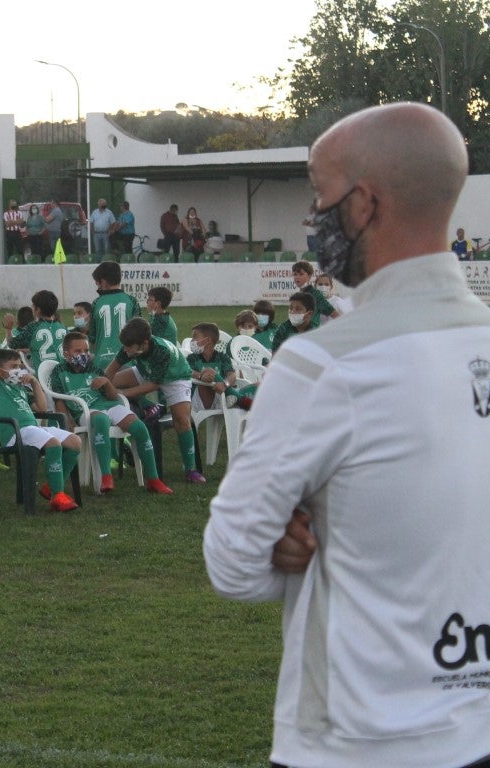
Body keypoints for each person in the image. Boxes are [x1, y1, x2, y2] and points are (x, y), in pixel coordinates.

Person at [205, 102, 490, 768]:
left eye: (318, 193)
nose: (314, 217)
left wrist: (298, 544)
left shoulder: (326, 364)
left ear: (363, 204)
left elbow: (232, 563)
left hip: (360, 738)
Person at [49, 332, 171, 495]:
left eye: (86, 350)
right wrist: (66, 420)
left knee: (140, 428)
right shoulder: (59, 371)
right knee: (101, 420)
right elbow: (59, 399)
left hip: (108, 404)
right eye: (78, 351)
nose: (83, 355)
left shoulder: (93, 368)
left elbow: (113, 397)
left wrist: (107, 382)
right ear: (66, 353)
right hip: (85, 409)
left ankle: (154, 480)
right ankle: (106, 476)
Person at [0, 349, 82, 512]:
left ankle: (49, 487)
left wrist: (34, 382)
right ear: (0, 370)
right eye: (14, 366)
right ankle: (57, 496)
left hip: (32, 430)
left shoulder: (19, 388)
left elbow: (42, 407)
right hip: (14, 432)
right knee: (53, 444)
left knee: (75, 442)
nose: (19, 370)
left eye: (20, 365)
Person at [103, 317, 205, 484]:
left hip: (176, 377)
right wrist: (104, 383)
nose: (126, 350)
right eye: (125, 346)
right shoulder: (130, 346)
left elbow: (153, 385)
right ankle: (152, 407)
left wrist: (121, 393)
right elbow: (111, 370)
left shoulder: (162, 350)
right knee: (110, 384)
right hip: (147, 371)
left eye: (130, 347)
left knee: (181, 421)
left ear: (144, 344)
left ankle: (190, 469)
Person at [87, 260, 142, 369]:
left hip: (102, 363)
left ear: (103, 282)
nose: (97, 286)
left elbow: (92, 338)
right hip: (128, 362)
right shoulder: (131, 301)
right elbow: (139, 333)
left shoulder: (96, 303)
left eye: (97, 283)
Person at [6, 289, 67, 371]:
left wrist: (8, 328)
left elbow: (12, 344)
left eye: (33, 306)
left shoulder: (33, 327)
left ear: (38, 309)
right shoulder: (63, 328)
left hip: (44, 376)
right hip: (64, 374)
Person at [185, 322, 237, 411]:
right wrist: (200, 376)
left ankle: (231, 396)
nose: (192, 341)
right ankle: (236, 397)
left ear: (207, 340)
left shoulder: (222, 357)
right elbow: (188, 371)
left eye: (195, 337)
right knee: (208, 371)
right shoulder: (192, 358)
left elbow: (232, 375)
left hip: (220, 394)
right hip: (199, 398)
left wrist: (225, 384)